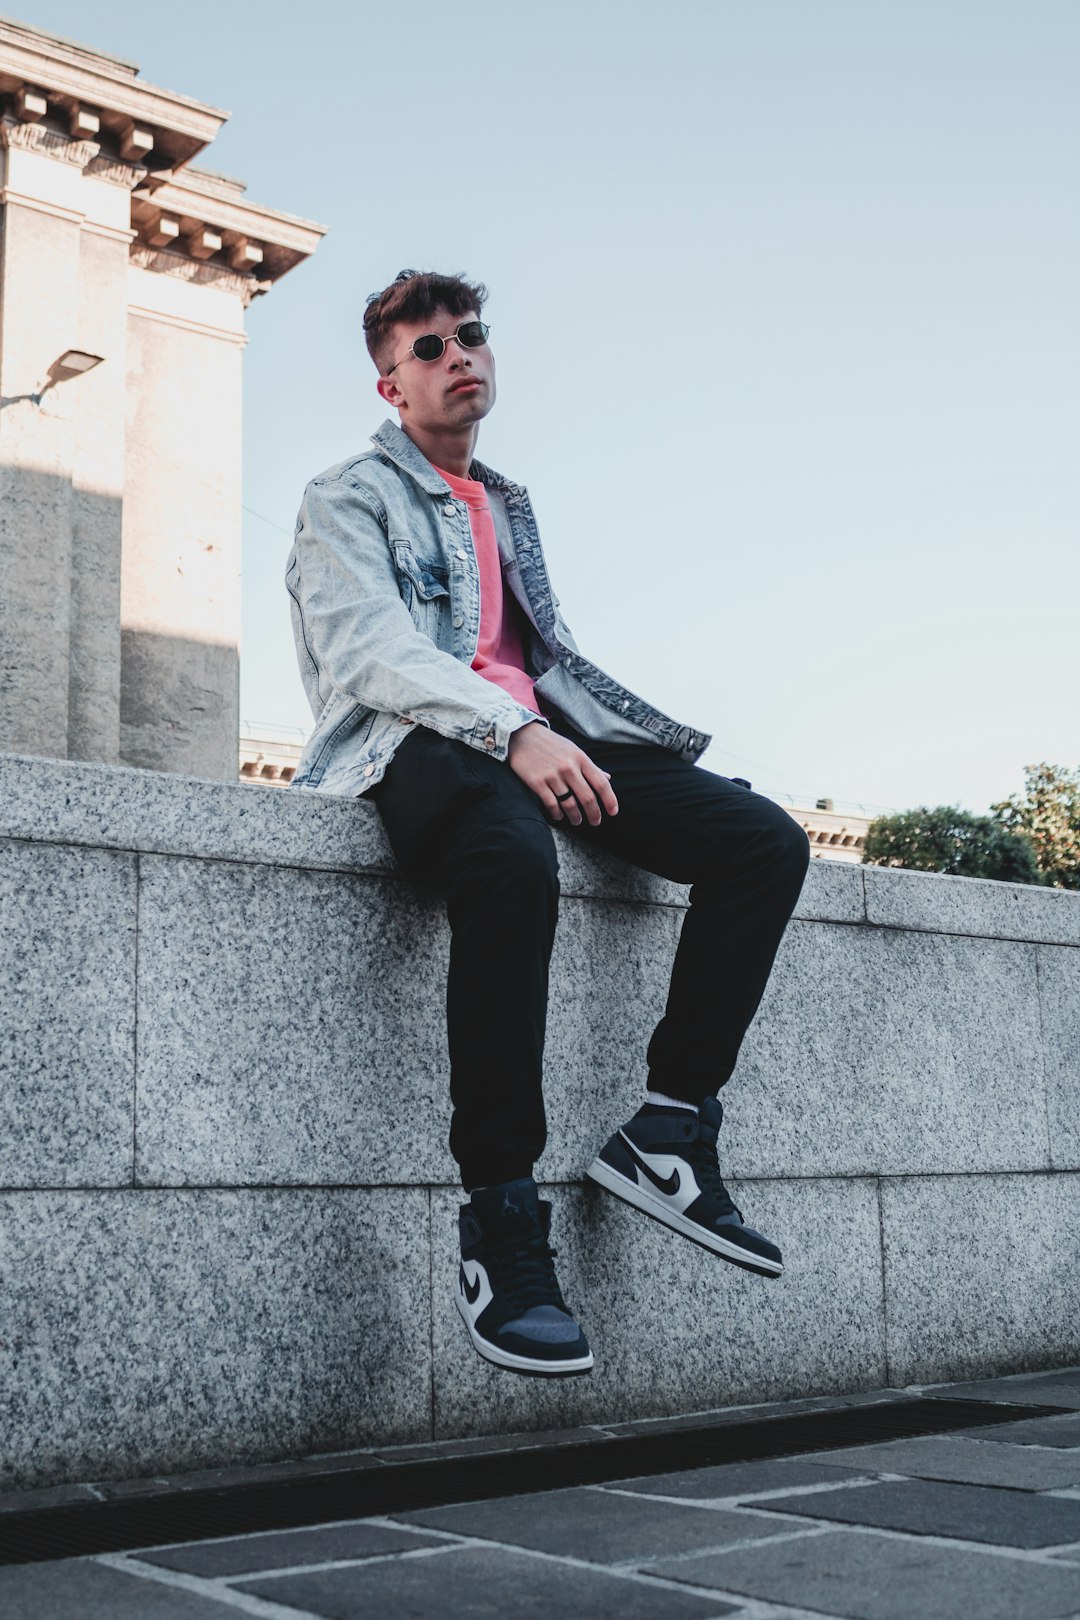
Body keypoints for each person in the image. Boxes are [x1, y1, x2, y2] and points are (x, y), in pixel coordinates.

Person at [286, 269, 810, 1378]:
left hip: (533, 741)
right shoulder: (347, 494)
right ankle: (502, 1221)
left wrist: (596, 739)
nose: (459, 354)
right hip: (417, 746)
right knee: (513, 863)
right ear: (390, 385)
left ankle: (668, 1130)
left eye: (471, 336)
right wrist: (510, 734)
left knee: (762, 842)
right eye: (428, 348)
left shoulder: (505, 502)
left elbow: (543, 663)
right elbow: (368, 653)